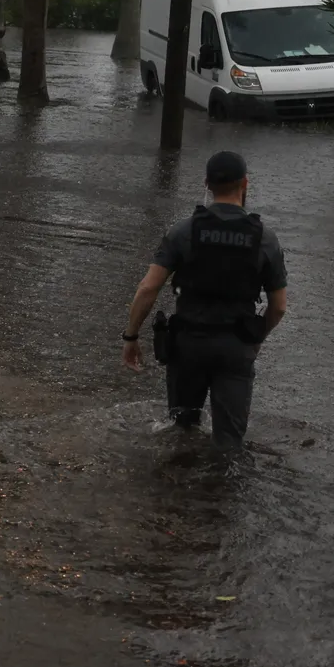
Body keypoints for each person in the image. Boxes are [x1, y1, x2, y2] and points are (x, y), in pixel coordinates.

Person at [121, 151, 288, 447]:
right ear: (245, 183)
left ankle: (177, 486)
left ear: (207, 184)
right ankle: (222, 489)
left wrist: (131, 336)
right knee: (230, 442)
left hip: (188, 345)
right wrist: (256, 338)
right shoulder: (265, 239)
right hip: (236, 347)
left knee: (181, 430)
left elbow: (148, 288)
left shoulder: (183, 232)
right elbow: (279, 307)